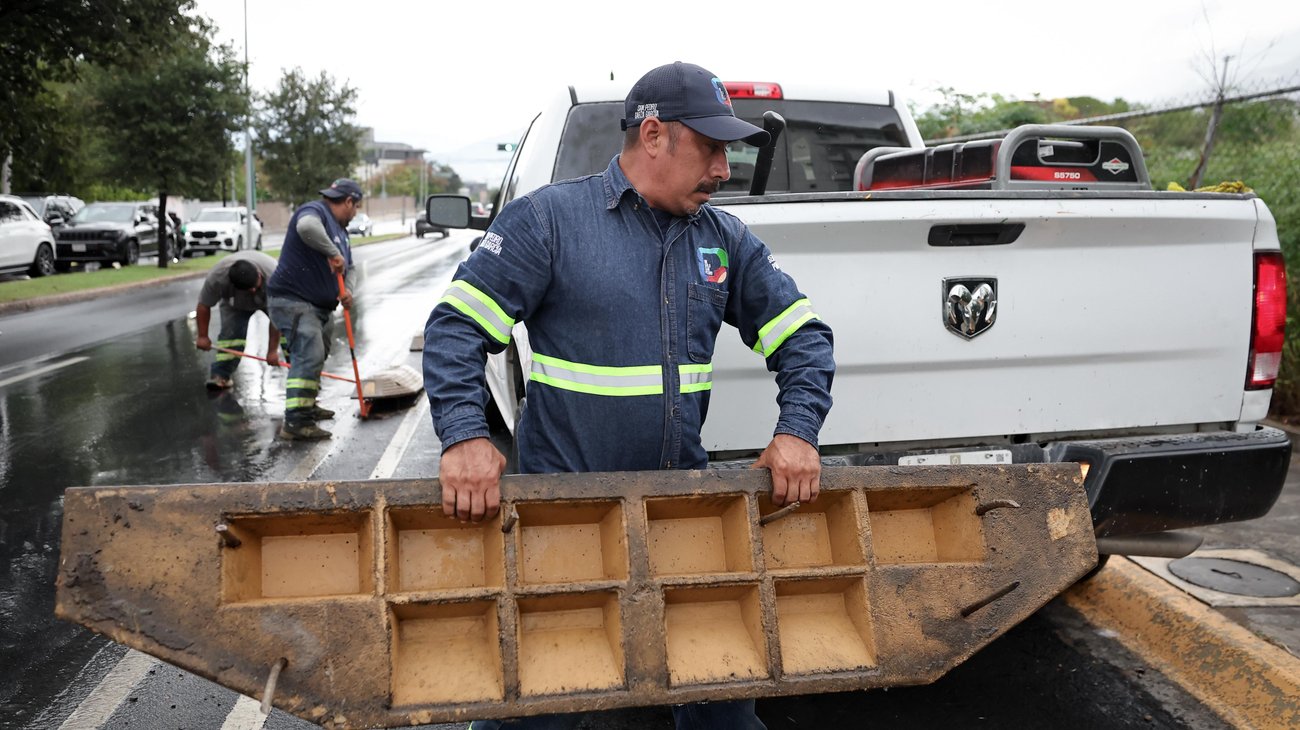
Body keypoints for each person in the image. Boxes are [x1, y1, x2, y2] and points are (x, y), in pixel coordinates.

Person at [423, 62, 835, 729]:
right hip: (567, 521)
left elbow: (804, 337)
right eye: (712, 148)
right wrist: (466, 436)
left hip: (684, 518)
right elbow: (455, 329)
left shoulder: (722, 239)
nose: (725, 170)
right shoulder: (550, 223)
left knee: (723, 702)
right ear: (653, 135)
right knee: (535, 706)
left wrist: (798, 431)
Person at [266, 178, 362, 441]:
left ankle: (307, 404)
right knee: (309, 354)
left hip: (320, 306)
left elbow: (349, 267)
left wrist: (348, 290)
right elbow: (306, 227)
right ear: (349, 201)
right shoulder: (315, 212)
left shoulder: (342, 232)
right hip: (293, 300)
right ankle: (296, 422)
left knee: (318, 353)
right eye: (355, 207)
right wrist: (332, 252)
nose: (355, 213)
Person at [194, 249, 280, 390]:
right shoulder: (217, 277)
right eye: (248, 289)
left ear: (259, 274)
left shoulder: (274, 275)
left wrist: (272, 351)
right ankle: (221, 376)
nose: (252, 291)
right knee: (231, 337)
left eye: (254, 286)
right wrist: (202, 336)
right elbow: (204, 305)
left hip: (270, 298)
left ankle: (300, 372)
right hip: (236, 304)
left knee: (290, 333)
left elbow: (278, 318)